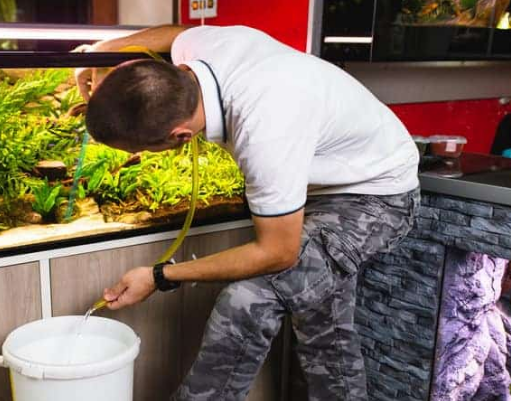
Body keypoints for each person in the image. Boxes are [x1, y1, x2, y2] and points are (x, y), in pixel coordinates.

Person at [75, 25, 420, 401]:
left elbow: (278, 253)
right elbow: (177, 33)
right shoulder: (202, 47)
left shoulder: (264, 130)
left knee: (247, 301)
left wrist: (160, 276)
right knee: (324, 330)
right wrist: (104, 48)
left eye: (140, 150)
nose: (137, 157)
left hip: (376, 196)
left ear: (180, 136)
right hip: (322, 183)